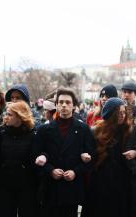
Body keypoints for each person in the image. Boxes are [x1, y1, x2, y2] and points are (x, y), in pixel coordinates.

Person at [34, 87, 95, 217]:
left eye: (68, 102)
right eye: (60, 102)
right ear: (56, 105)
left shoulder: (83, 129)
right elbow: (35, 155)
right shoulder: (44, 130)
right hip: (50, 189)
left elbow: (91, 157)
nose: (64, 105)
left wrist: (75, 172)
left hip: (71, 189)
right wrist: (50, 170)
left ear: (74, 106)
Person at [82, 97, 132, 217]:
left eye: (124, 112)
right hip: (100, 182)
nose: (122, 115)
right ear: (111, 113)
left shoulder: (127, 132)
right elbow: (90, 155)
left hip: (121, 182)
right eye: (119, 112)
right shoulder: (96, 131)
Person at [0, 101, 39, 217]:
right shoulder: (2, 133)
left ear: (20, 116)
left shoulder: (32, 135)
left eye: (10, 115)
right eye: (6, 114)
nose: (6, 117)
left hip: (26, 186)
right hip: (4, 185)